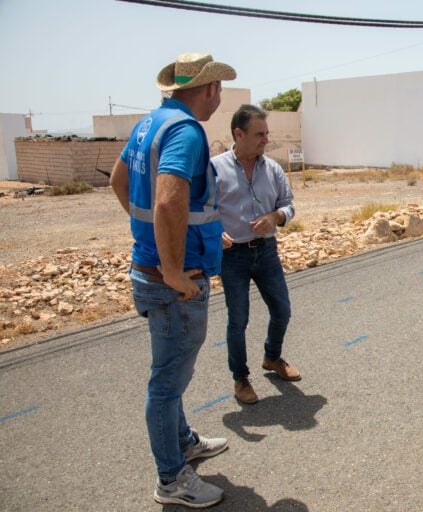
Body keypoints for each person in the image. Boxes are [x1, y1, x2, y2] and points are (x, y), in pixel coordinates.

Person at [110, 53, 236, 508]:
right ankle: (171, 478)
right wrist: (173, 269)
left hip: (149, 269)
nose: (219, 96)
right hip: (171, 281)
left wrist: (152, 242)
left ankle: (182, 442)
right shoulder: (185, 130)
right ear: (208, 90)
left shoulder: (150, 124)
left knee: (171, 374)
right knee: (166, 383)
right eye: (217, 88)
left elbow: (119, 182)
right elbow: (167, 202)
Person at [211, 104, 300, 405]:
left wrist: (275, 218)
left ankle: (272, 358)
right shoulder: (215, 168)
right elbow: (201, 210)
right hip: (231, 256)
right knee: (238, 320)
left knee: (282, 310)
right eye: (259, 134)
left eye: (267, 133)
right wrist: (213, 233)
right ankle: (241, 378)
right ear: (239, 134)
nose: (266, 139)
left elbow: (288, 204)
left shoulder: (272, 168)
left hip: (266, 252)